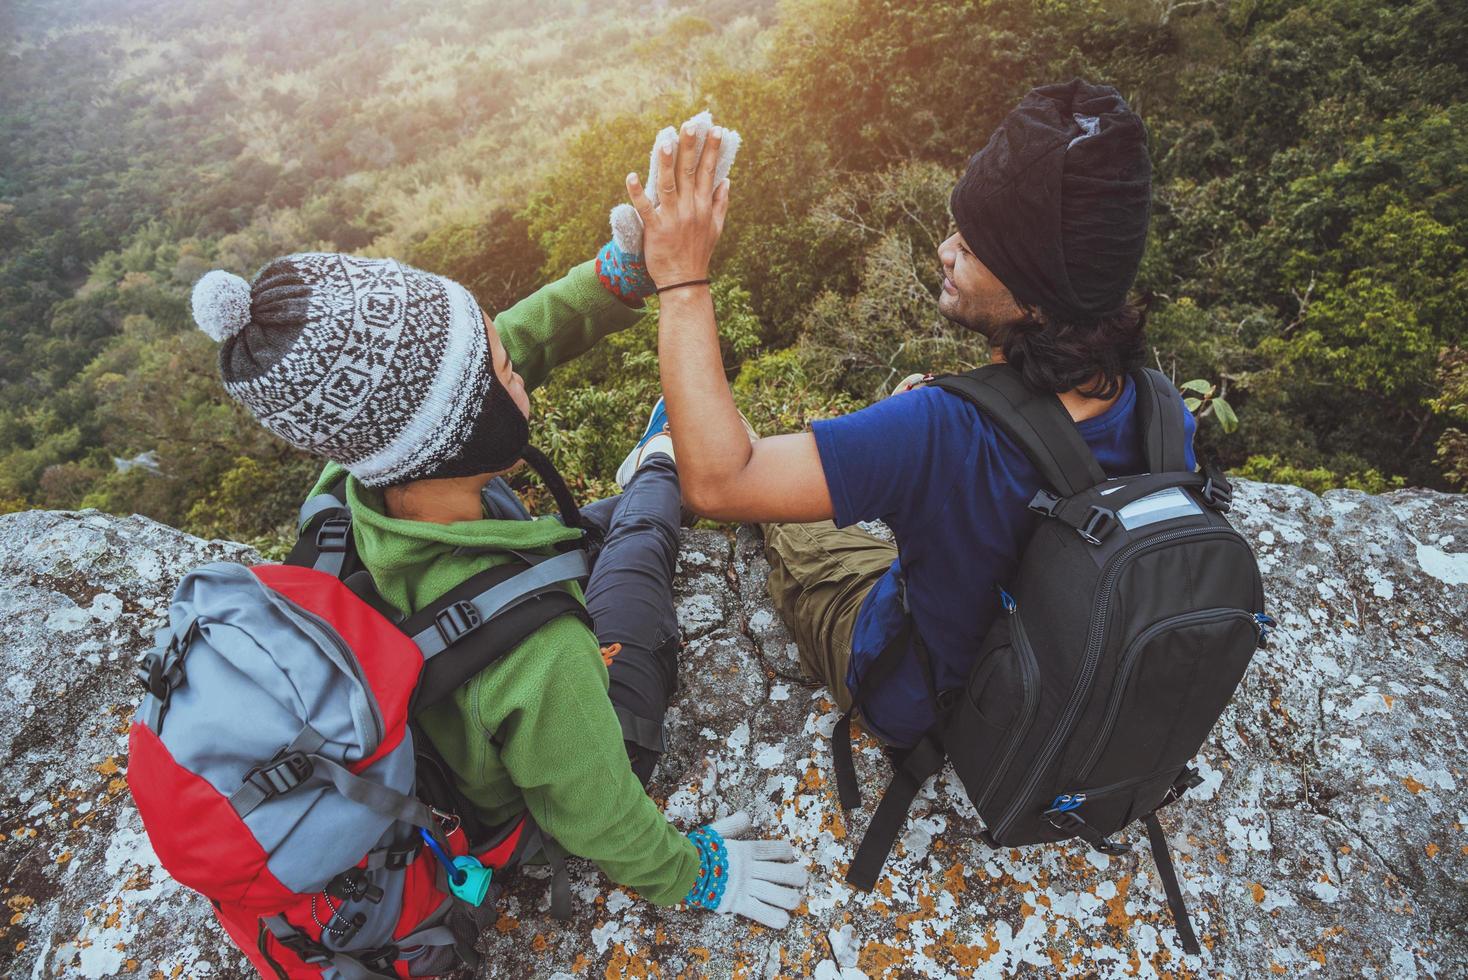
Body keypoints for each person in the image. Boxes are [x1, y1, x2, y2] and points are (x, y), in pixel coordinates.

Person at [187, 234, 807, 926]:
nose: (519, 369)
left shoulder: (353, 482)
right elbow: (597, 814)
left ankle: (648, 479)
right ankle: (660, 463)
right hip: (515, 797)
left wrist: (615, 274)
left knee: (594, 530)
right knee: (637, 547)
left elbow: (508, 346)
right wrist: (693, 874)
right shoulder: (545, 659)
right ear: (466, 429)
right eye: (506, 371)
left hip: (448, 692)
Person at [629, 79, 1196, 751]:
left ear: (1040, 300)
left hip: (924, 701)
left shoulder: (942, 431)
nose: (946, 249)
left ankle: (666, 441)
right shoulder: (1161, 408)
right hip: (1052, 670)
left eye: (976, 249)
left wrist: (681, 278)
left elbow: (722, 482)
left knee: (794, 526)